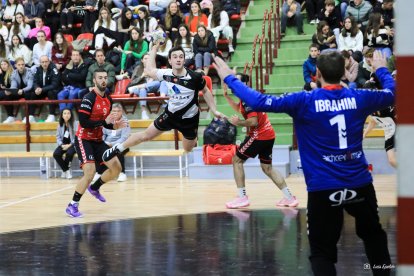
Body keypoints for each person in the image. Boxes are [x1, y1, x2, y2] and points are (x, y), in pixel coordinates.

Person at [212, 50, 394, 276]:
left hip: (323, 187)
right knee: (374, 236)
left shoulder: (304, 101)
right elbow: (393, 92)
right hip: (359, 183)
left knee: (321, 252)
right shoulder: (361, 97)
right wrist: (382, 70)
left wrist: (229, 77)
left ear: (316, 73)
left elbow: (256, 101)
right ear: (344, 72)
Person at [102, 44, 224, 163]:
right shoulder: (166, 74)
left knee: (188, 148)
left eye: (181, 56)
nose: (178, 59)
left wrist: (214, 110)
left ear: (184, 59)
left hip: (189, 120)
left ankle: (193, 136)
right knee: (146, 135)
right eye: (175, 57)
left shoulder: (195, 77)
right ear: (170, 60)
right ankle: (117, 148)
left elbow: (206, 91)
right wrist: (154, 48)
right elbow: (149, 70)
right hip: (170, 115)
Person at [222, 74, 299, 209]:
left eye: (235, 82)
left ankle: (242, 197)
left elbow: (253, 121)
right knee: (267, 168)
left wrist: (238, 122)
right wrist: (227, 97)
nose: (232, 84)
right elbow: (239, 108)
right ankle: (289, 198)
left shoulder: (247, 101)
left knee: (236, 160)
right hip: (269, 134)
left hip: (259, 135)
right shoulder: (247, 97)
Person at [65, 68, 127, 218]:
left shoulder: (108, 99)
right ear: (94, 80)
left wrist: (114, 126)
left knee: (116, 168)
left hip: (98, 140)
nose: (103, 80)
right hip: (84, 139)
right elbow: (84, 122)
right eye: (100, 78)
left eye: (105, 77)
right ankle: (72, 205)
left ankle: (94, 188)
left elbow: (105, 124)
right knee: (90, 172)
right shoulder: (88, 98)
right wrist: (104, 122)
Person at [101, 103, 131, 182]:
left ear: (122, 112)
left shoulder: (125, 121)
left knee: (118, 149)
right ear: (110, 112)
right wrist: (103, 142)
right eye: (114, 111)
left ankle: (122, 173)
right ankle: (99, 172)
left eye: (118, 111)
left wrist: (112, 144)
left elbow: (124, 138)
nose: (116, 113)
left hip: (122, 144)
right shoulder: (107, 120)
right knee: (98, 148)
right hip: (107, 143)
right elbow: (103, 134)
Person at [32, 55, 61, 122]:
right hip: (43, 90)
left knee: (51, 92)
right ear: (40, 63)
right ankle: (31, 116)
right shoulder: (38, 69)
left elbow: (55, 85)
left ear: (49, 62)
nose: (44, 64)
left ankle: (52, 115)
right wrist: (37, 88)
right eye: (43, 62)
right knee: (31, 94)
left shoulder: (54, 69)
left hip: (54, 90)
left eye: (46, 62)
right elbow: (35, 81)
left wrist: (42, 89)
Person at [54, 108, 77, 179]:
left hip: (73, 144)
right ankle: (66, 170)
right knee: (56, 154)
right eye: (65, 113)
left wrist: (69, 145)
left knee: (69, 153)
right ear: (62, 115)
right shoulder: (60, 125)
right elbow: (57, 137)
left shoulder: (75, 123)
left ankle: (65, 171)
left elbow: (77, 137)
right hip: (63, 144)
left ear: (71, 115)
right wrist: (61, 144)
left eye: (68, 113)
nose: (67, 115)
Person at [9, 57, 34, 123]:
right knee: (8, 95)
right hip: (19, 92)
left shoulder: (29, 71)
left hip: (27, 91)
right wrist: (11, 91)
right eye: (19, 65)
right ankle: (11, 116)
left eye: (23, 64)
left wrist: (22, 90)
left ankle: (29, 116)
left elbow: (30, 86)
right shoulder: (14, 73)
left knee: (29, 94)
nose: (21, 66)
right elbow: (13, 86)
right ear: (15, 66)